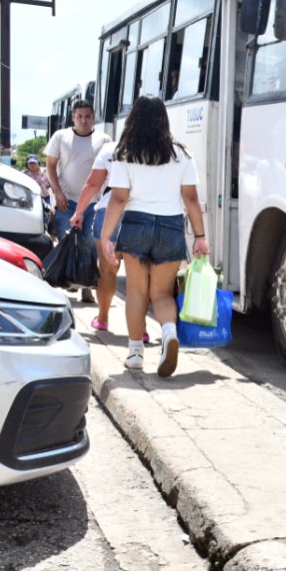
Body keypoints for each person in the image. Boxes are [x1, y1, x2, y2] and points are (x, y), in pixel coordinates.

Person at [98, 96, 208, 376]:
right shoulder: (181, 153)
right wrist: (200, 236)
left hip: (136, 225)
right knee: (161, 293)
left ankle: (135, 352)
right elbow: (191, 198)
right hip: (170, 226)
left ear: (134, 119)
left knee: (136, 290)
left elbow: (119, 198)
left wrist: (106, 235)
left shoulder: (125, 153)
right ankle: (169, 333)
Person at [72, 142, 149, 342]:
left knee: (107, 271)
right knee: (139, 275)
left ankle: (103, 318)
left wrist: (79, 212)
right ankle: (141, 329)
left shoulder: (110, 149)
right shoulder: (155, 148)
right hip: (141, 214)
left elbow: (92, 184)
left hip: (109, 213)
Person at [45, 99, 111, 241]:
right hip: (66, 203)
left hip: (94, 204)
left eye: (87, 116)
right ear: (73, 117)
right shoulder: (60, 136)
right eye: (79, 116)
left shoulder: (105, 140)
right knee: (67, 245)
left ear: (93, 117)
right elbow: (50, 165)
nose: (83, 120)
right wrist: (57, 192)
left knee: (91, 248)